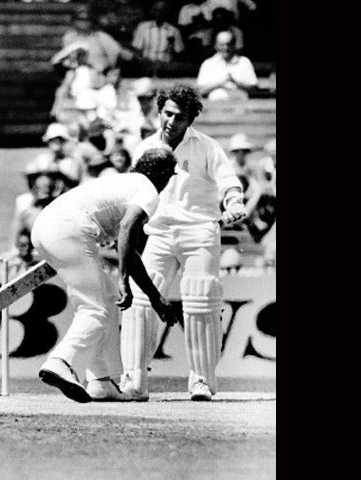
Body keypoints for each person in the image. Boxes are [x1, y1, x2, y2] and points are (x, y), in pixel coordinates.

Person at [120, 84, 248, 402]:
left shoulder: (206, 146)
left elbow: (229, 181)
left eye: (179, 117)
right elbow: (132, 191)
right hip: (159, 233)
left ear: (190, 119)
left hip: (199, 232)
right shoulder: (145, 148)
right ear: (159, 111)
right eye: (167, 114)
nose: (171, 122)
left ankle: (201, 381)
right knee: (139, 301)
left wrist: (233, 202)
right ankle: (135, 380)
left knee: (201, 301)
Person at [32, 148, 181, 403]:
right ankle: (61, 361)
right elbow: (127, 228)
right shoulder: (148, 190)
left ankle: (102, 381)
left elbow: (128, 248)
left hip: (45, 228)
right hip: (70, 229)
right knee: (95, 309)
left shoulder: (125, 183)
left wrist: (154, 298)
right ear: (164, 175)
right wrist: (124, 279)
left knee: (108, 302)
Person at [196, 30, 258, 101]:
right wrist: (221, 83)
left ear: (234, 45)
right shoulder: (208, 64)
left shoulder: (244, 62)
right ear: (215, 46)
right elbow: (199, 91)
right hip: (215, 107)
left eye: (229, 44)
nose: (226, 48)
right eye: (221, 44)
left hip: (240, 106)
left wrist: (236, 82)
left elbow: (254, 89)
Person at [131, 1, 185, 73]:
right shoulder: (143, 28)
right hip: (146, 67)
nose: (159, 13)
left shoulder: (174, 31)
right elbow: (137, 51)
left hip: (166, 68)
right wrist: (142, 61)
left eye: (162, 10)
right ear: (152, 12)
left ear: (166, 12)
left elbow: (179, 52)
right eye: (156, 10)